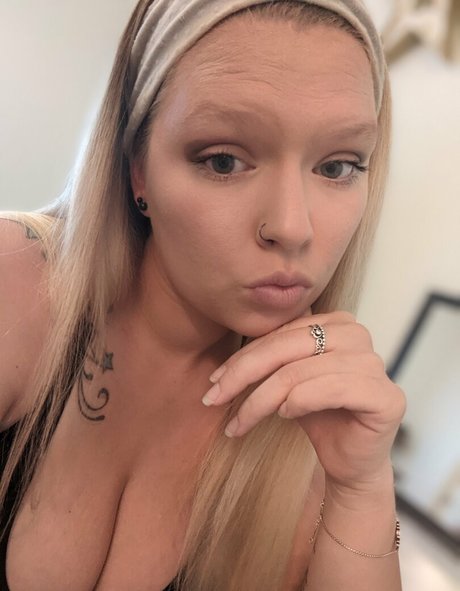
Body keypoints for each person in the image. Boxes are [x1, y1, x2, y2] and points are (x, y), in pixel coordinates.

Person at [0, 0, 407, 589]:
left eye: (338, 167)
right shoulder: (16, 282)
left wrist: (363, 490)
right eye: (223, 160)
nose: (293, 227)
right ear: (137, 169)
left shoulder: (311, 450)